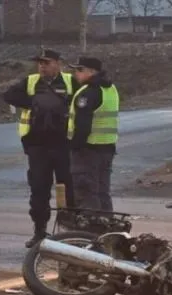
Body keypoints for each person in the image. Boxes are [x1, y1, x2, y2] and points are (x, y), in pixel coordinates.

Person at [3, 49, 78, 248]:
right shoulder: (31, 82)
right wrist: (34, 103)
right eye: (40, 63)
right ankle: (39, 232)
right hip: (38, 147)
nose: (42, 67)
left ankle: (70, 233)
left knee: (67, 190)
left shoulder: (70, 82)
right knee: (39, 190)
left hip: (64, 146)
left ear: (58, 63)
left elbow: (83, 102)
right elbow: (8, 95)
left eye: (47, 63)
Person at [66, 56, 119, 213]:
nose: (76, 73)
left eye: (80, 70)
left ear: (92, 71)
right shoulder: (110, 88)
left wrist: (74, 146)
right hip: (107, 148)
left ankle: (92, 226)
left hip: (87, 151)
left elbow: (82, 126)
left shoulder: (88, 92)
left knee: (86, 193)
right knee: (102, 193)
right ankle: (107, 225)